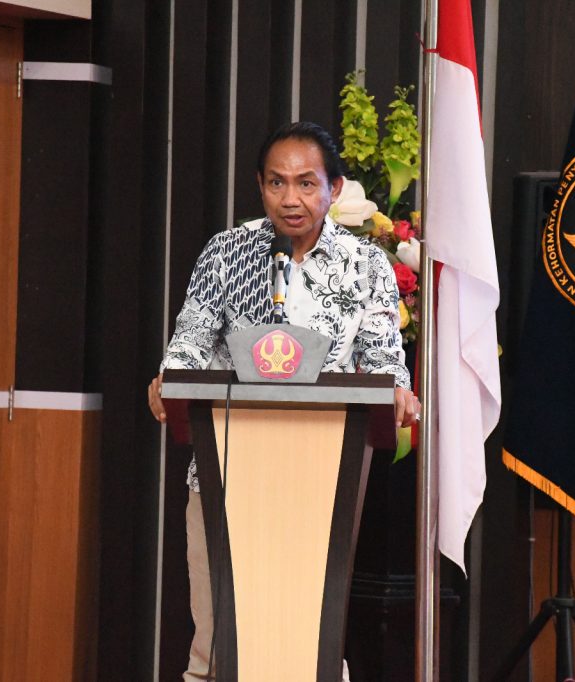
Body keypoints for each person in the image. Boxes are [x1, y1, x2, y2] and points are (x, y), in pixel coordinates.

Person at [147, 121, 420, 681]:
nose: (290, 198)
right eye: (277, 183)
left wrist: (396, 388)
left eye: (305, 183)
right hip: (226, 474)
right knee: (218, 645)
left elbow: (384, 357)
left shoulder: (365, 264)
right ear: (260, 185)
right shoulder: (226, 253)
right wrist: (169, 379)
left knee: (307, 646)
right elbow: (189, 346)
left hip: (322, 481)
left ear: (334, 188)